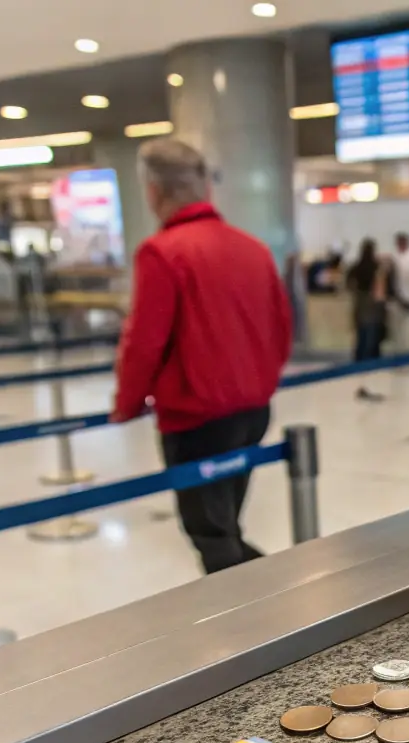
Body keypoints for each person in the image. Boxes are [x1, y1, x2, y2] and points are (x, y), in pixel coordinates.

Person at [111, 138, 291, 575]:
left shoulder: (162, 253)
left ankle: (260, 619)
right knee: (224, 522)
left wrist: (127, 404)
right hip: (252, 412)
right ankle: (271, 601)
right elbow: (282, 327)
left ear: (152, 191)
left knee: (210, 532)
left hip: (196, 418)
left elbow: (145, 342)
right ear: (206, 188)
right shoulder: (253, 248)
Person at [345, 238, 390, 402]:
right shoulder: (377, 268)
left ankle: (360, 382)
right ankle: (372, 385)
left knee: (360, 344)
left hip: (359, 310)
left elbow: (347, 285)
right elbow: (380, 293)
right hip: (373, 311)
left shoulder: (355, 268)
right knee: (373, 347)